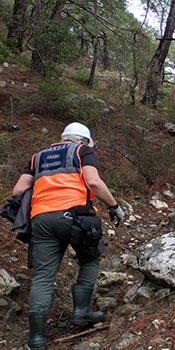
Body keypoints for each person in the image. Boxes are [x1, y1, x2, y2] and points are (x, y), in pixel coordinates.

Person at [11, 122, 125, 350]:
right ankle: (81, 312)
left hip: (41, 219)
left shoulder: (38, 157)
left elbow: (18, 191)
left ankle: (36, 339)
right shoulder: (82, 151)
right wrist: (113, 205)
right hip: (75, 216)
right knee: (91, 258)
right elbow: (93, 181)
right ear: (83, 140)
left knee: (43, 276)